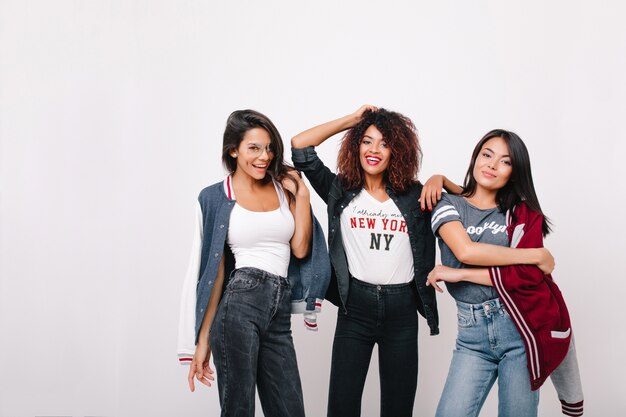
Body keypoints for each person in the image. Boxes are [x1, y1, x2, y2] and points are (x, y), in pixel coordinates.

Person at [177, 109, 331, 417]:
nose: (264, 156)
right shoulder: (215, 198)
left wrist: (302, 195)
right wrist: (203, 340)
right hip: (239, 304)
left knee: (290, 410)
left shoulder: (282, 188)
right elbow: (215, 274)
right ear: (233, 150)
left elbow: (300, 249)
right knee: (239, 410)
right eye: (254, 148)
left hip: (279, 310)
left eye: (269, 148)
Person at [292, 105, 440, 417]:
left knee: (398, 409)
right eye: (367, 140)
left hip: (402, 311)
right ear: (356, 144)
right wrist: (352, 120)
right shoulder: (340, 190)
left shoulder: (415, 195)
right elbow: (300, 147)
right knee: (342, 407)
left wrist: (442, 179)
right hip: (354, 308)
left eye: (384, 144)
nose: (374, 150)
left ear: (397, 151)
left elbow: (468, 197)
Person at [425, 129, 583, 417]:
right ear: (475, 157)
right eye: (487, 155)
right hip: (471, 337)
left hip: (519, 329)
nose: (492, 165)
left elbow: (529, 277)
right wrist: (534, 255)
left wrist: (460, 275)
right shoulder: (446, 203)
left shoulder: (522, 214)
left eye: (505, 161)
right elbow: (465, 252)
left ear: (514, 171)